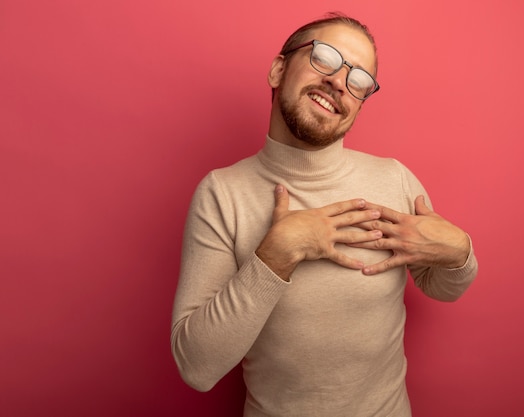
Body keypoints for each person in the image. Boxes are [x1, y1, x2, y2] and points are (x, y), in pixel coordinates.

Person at [171, 13, 478, 417]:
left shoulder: (395, 179)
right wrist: (277, 254)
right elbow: (197, 367)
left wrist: (460, 253)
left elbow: (443, 286)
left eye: (359, 80)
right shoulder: (221, 194)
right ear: (279, 69)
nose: (339, 82)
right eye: (326, 58)